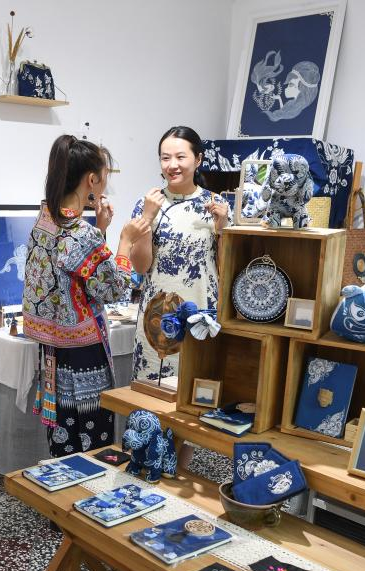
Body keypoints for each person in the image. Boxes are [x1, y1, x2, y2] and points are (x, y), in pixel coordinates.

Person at [23, 134, 151, 457]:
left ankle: (61, 483)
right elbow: (114, 288)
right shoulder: (82, 233)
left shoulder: (45, 219)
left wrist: (100, 229)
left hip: (53, 349)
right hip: (83, 352)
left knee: (63, 431)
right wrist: (124, 241)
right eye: (104, 175)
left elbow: (81, 273)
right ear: (92, 180)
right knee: (92, 437)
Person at [127, 126, 228, 468]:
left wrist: (223, 229)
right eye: (165, 157)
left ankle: (177, 470)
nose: (172, 164)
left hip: (199, 317)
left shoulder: (215, 205)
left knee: (188, 404)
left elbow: (226, 268)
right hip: (156, 318)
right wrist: (147, 218)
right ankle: (144, 466)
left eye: (180, 156)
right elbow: (140, 266)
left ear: (198, 159)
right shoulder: (149, 203)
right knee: (151, 399)